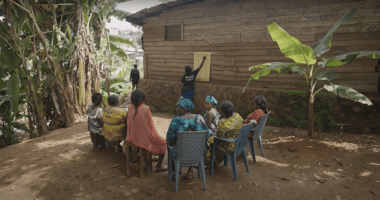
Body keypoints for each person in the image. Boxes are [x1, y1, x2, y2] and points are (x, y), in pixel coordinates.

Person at [166, 96, 210, 180]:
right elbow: (207, 134)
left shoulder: (176, 120)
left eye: (179, 108)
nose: (177, 109)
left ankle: (177, 173)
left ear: (183, 109)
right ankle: (190, 170)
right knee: (193, 145)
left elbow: (169, 139)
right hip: (197, 154)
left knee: (171, 146)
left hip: (180, 154)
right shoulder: (199, 118)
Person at [126, 89, 167, 172]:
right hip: (142, 139)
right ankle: (158, 166)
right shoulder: (146, 109)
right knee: (163, 143)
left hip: (132, 137)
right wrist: (155, 137)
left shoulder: (129, 108)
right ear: (142, 98)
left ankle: (144, 160)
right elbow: (151, 127)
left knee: (144, 139)